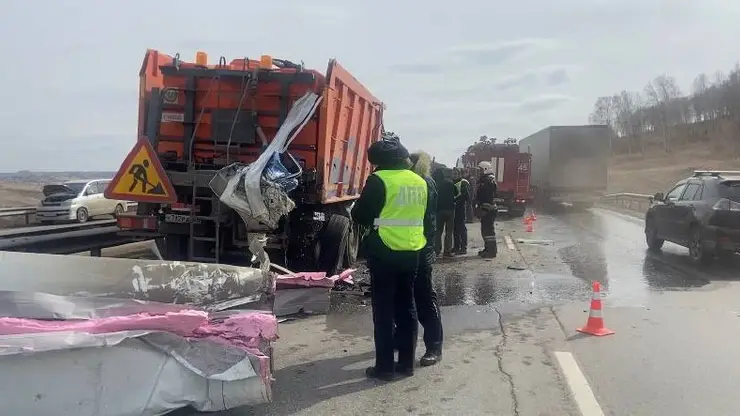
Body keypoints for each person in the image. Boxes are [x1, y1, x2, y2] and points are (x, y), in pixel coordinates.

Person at [351, 138, 431, 381]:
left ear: (378, 162)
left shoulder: (379, 181)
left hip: (385, 251)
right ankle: (406, 364)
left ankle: (384, 367)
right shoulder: (420, 181)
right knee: (407, 308)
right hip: (412, 251)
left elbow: (360, 215)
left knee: (384, 311)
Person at [404, 151, 444, 366]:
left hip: (420, 250)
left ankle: (434, 347)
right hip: (405, 249)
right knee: (402, 300)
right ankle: (400, 341)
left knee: (425, 299)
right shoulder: (408, 181)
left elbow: (427, 221)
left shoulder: (425, 183)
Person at [432, 168, 459, 257]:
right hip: (450, 210)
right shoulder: (450, 183)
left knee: (438, 232)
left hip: (439, 211)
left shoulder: (435, 184)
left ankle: (437, 251)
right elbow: (456, 193)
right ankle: (447, 251)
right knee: (449, 232)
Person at [476, 161, 498, 258]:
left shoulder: (488, 181)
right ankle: (487, 249)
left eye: (480, 170)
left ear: (485, 169)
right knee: (486, 231)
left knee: (488, 231)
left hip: (488, 209)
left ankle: (491, 251)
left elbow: (487, 197)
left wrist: (484, 209)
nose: (479, 172)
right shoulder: (486, 180)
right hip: (487, 208)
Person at [452, 168, 472, 255]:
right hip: (454, 209)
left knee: (461, 228)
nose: (454, 175)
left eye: (456, 173)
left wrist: (457, 201)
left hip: (460, 208)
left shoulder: (464, 182)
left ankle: (463, 248)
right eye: (453, 173)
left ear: (460, 174)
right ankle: (456, 247)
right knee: (455, 229)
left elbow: (466, 196)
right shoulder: (453, 182)